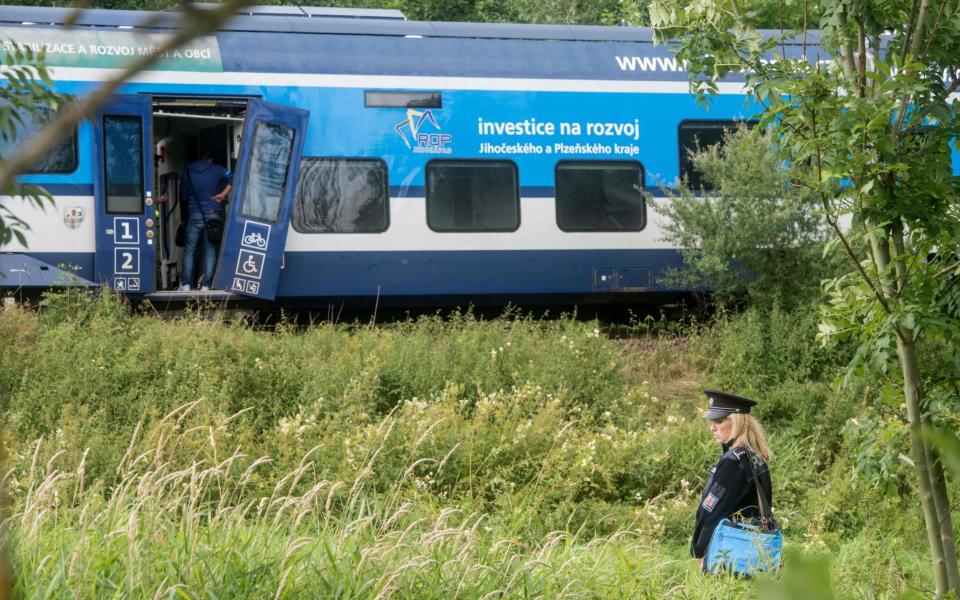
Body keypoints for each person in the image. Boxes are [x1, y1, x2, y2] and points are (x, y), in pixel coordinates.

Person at [691, 389, 774, 569]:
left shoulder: (733, 462)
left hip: (726, 552)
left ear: (737, 422)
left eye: (719, 421)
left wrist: (700, 549)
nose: (712, 427)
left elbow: (712, 511)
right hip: (752, 551)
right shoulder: (755, 456)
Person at [178, 152, 232, 291]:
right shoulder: (217, 169)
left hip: (195, 214)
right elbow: (231, 177)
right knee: (210, 249)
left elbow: (183, 195)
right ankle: (206, 285)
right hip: (214, 213)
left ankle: (185, 285)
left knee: (190, 249)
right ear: (210, 160)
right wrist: (223, 194)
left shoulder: (189, 171)